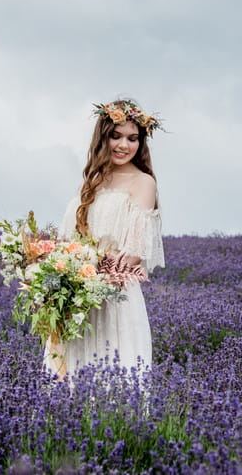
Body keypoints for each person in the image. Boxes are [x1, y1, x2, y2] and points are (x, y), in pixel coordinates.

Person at [43, 98, 165, 379]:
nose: (124, 145)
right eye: (116, 136)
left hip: (113, 298)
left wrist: (94, 271)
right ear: (103, 137)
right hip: (76, 299)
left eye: (133, 139)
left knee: (115, 376)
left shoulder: (143, 182)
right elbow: (68, 238)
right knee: (68, 375)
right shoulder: (92, 180)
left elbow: (135, 250)